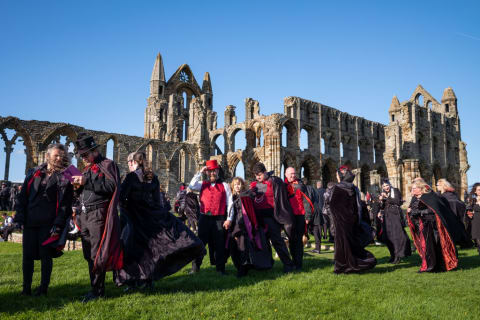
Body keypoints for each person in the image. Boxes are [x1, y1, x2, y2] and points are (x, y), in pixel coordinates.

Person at [114, 152, 205, 289]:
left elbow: (122, 198)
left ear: (135, 162)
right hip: (152, 218)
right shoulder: (153, 178)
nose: (129, 164)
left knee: (134, 250)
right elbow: (157, 201)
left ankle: (135, 281)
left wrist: (127, 213)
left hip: (136, 220)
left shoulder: (131, 177)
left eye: (130, 161)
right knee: (152, 250)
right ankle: (147, 280)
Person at [13, 143, 73, 296]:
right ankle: (26, 289)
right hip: (30, 221)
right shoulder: (34, 172)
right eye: (56, 156)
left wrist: (58, 224)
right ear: (48, 156)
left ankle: (43, 289)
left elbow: (66, 204)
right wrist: (20, 217)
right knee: (27, 256)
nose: (59, 158)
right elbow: (23, 197)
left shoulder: (67, 175)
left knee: (46, 256)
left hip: (49, 223)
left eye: (62, 156)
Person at [72, 133, 123, 302]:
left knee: (97, 253)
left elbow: (112, 186)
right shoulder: (87, 169)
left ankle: (97, 291)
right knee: (88, 254)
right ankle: (94, 287)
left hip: (98, 214)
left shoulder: (108, 165)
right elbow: (85, 192)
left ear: (95, 150)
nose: (84, 158)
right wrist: (77, 187)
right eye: (81, 156)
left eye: (86, 155)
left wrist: (86, 182)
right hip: (85, 215)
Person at [407, 178, 468, 272]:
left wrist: (418, 212)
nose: (413, 190)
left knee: (434, 246)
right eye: (412, 188)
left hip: (433, 226)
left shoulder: (429, 196)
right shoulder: (416, 198)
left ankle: (433, 266)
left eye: (415, 188)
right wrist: (411, 212)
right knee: (428, 247)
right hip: (423, 226)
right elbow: (413, 211)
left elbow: (433, 210)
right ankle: (431, 265)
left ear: (420, 188)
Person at [326, 165, 376, 274]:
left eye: (337, 176)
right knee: (349, 243)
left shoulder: (338, 188)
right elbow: (358, 206)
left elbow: (333, 207)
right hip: (351, 220)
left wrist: (334, 221)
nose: (337, 178)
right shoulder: (353, 187)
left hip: (341, 222)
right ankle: (347, 265)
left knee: (342, 245)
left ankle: (344, 267)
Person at [188, 160, 233, 275]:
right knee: (201, 243)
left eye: (214, 171)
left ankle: (220, 269)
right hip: (204, 218)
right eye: (210, 171)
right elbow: (191, 185)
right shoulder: (202, 184)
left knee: (220, 244)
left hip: (219, 218)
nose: (212, 173)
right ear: (207, 172)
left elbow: (230, 202)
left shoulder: (225, 185)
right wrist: (200, 172)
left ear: (217, 171)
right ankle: (195, 267)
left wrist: (229, 218)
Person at [249, 162, 295, 273]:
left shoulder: (274, 181)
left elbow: (281, 198)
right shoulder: (255, 185)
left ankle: (288, 265)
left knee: (277, 242)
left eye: (259, 174)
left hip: (272, 218)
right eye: (256, 175)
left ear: (265, 172)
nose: (258, 177)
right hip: (259, 219)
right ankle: (267, 264)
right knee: (263, 243)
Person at [227, 177, 273, 277]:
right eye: (235, 185)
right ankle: (240, 266)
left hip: (244, 225)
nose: (237, 186)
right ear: (233, 186)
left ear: (242, 185)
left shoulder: (246, 196)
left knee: (242, 247)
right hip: (234, 224)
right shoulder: (232, 197)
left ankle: (242, 270)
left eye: (239, 184)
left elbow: (250, 211)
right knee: (234, 248)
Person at [284, 167, 313, 270]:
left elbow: (306, 200)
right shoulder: (283, 186)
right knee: (291, 240)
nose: (293, 175)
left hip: (300, 216)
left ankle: (298, 264)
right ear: (285, 174)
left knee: (298, 242)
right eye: (291, 173)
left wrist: (307, 216)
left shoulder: (300, 185)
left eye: (294, 173)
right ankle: (293, 262)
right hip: (289, 218)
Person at [377, 179, 411, 264]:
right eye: (384, 186)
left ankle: (398, 255)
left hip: (395, 215)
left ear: (390, 185)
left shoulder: (395, 190)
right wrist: (381, 201)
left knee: (396, 235)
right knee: (387, 236)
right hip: (387, 216)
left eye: (387, 185)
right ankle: (392, 255)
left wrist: (386, 198)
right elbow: (382, 206)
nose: (386, 187)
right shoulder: (383, 193)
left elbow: (397, 201)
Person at [466, 183, 480, 255]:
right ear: (475, 191)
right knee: (478, 242)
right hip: (475, 223)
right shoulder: (472, 200)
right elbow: (468, 210)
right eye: (478, 190)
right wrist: (469, 214)